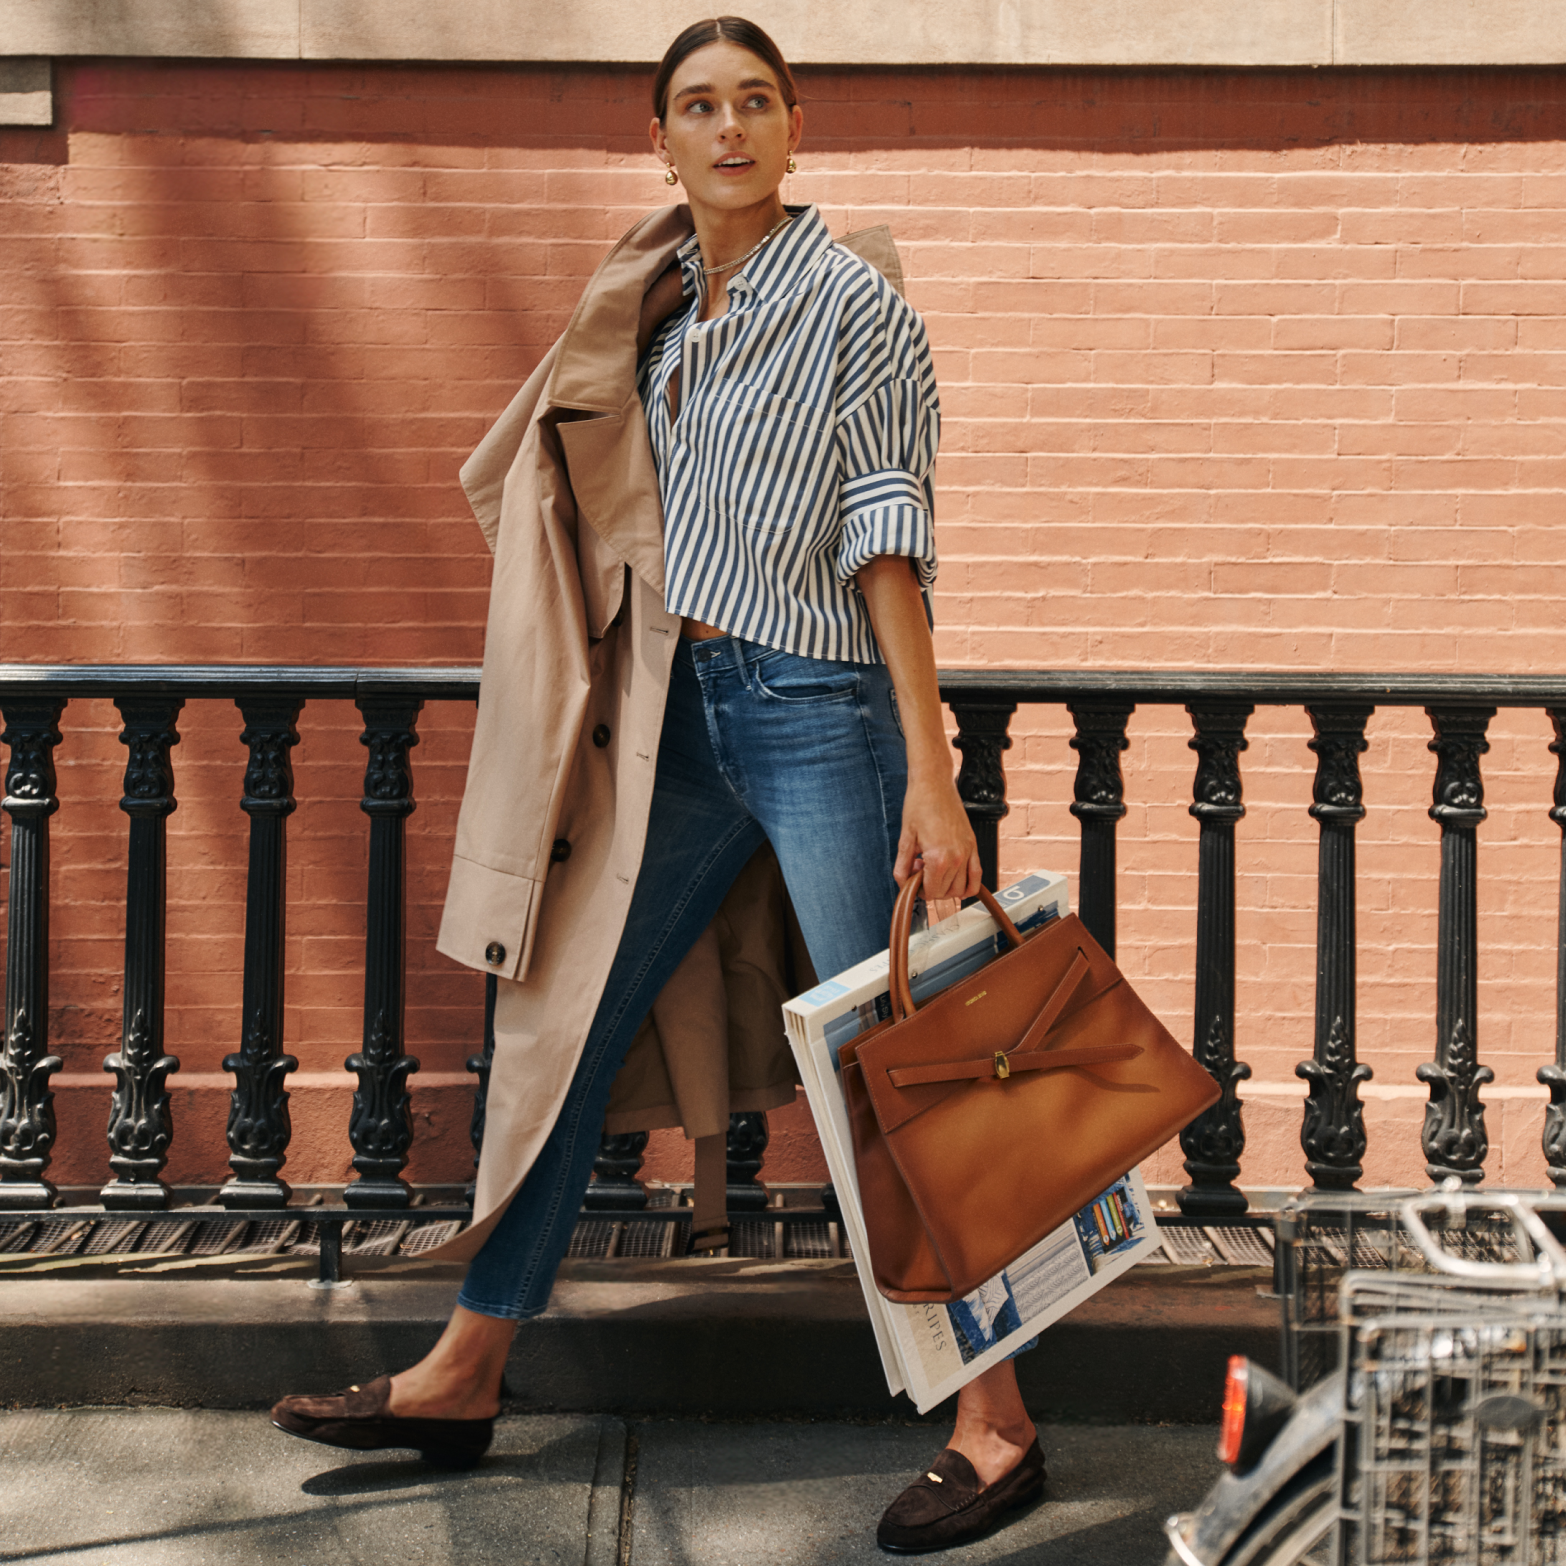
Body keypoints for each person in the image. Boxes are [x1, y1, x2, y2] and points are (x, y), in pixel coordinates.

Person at [270, 17, 1045, 1553]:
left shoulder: (854, 305)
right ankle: (466, 1366)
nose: (730, 126)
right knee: (560, 1019)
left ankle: (999, 1417)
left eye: (755, 101)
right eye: (699, 105)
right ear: (661, 141)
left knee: (901, 1068)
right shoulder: (667, 318)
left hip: (821, 709)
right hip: (678, 719)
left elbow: (887, 539)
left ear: (795, 125)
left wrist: (932, 776)